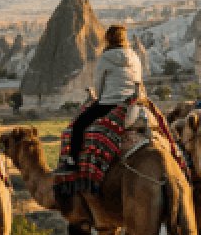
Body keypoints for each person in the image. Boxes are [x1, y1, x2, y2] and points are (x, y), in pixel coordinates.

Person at [60, 24, 143, 168]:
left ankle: (72, 160)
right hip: (133, 103)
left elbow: (98, 85)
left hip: (110, 103)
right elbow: (139, 80)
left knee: (78, 125)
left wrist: (100, 97)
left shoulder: (105, 58)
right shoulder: (135, 56)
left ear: (108, 39)